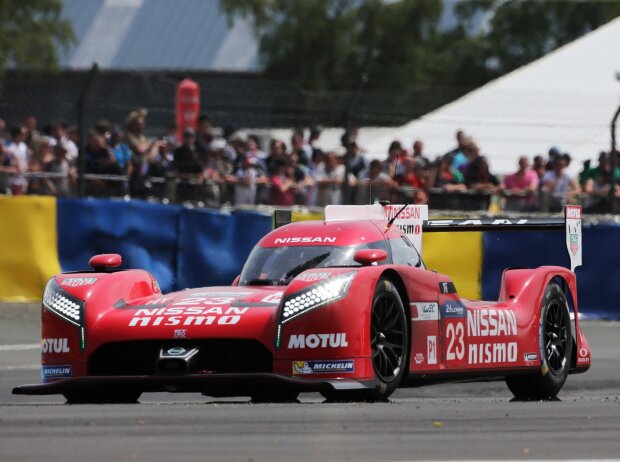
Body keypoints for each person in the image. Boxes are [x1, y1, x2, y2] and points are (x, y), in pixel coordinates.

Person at [172, 128, 203, 202]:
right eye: (186, 136)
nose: (188, 139)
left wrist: (199, 179)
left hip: (194, 186)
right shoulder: (178, 152)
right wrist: (189, 177)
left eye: (190, 136)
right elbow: (176, 171)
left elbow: (200, 170)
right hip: (182, 185)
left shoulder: (197, 152)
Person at [4, 126, 29, 195]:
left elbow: (26, 161)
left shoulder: (24, 146)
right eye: (23, 134)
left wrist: (26, 179)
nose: (25, 136)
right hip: (9, 179)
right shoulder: (6, 146)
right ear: (17, 135)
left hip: (22, 178)